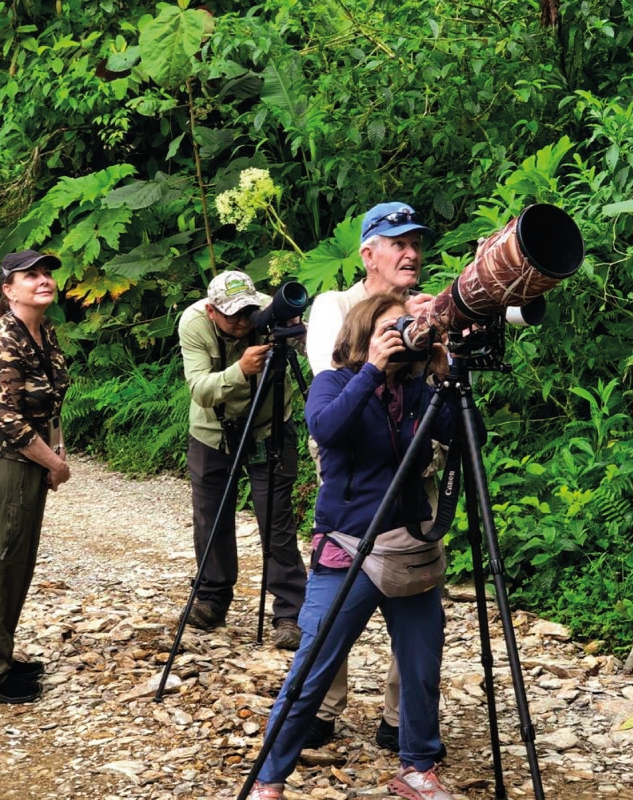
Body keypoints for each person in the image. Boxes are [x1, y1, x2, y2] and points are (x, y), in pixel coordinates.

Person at [249, 293, 456, 800]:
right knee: (313, 666)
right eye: (392, 326)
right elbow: (327, 427)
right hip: (347, 549)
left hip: (409, 547)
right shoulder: (334, 382)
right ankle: (269, 777)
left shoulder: (418, 389)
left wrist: (444, 374)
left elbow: (465, 436)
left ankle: (418, 766)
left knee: (421, 665)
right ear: (363, 335)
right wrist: (373, 371)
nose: (404, 332)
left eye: (408, 326)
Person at [304, 202, 441, 753]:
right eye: (397, 243)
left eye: (416, 244)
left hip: (413, 457)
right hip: (353, 463)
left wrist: (436, 335)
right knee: (341, 581)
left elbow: (437, 399)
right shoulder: (333, 305)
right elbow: (329, 382)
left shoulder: (425, 311)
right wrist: (387, 344)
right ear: (368, 254)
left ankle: (398, 716)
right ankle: (321, 708)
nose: (411, 253)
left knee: (414, 576)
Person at [177, 271, 307, 650]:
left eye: (247, 312)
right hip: (212, 432)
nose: (241, 321)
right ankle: (212, 599)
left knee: (276, 517)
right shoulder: (194, 322)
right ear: (211, 309)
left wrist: (300, 331)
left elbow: (321, 349)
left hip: (270, 429)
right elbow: (200, 389)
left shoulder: (272, 312)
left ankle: (290, 613)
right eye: (231, 314)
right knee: (211, 517)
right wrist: (240, 370)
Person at [0, 250, 71, 705]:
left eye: (46, 273)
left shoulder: (42, 331)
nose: (43, 280)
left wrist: (57, 448)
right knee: (0, 565)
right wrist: (54, 464)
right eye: (30, 275)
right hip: (6, 465)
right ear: (9, 290)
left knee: (19, 564)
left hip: (31, 461)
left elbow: (50, 401)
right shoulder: (4, 337)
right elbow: (6, 418)